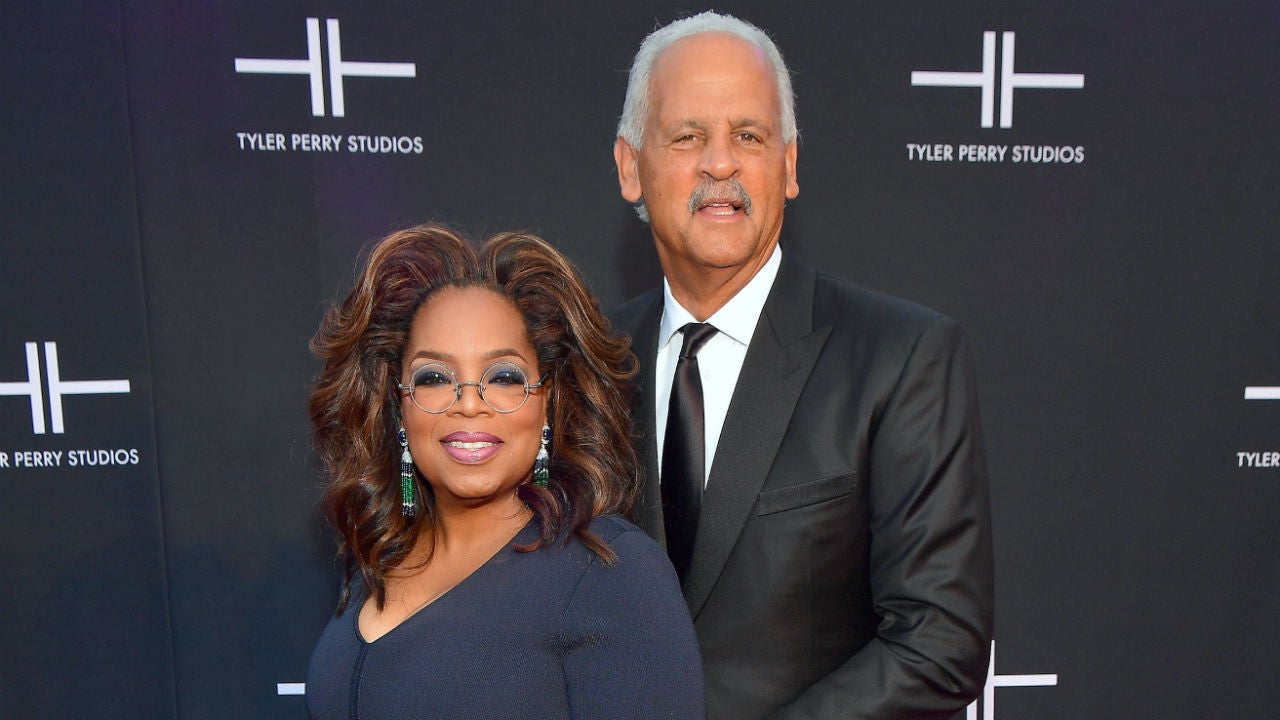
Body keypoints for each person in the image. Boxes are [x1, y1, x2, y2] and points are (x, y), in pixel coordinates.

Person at [610, 12, 994, 720]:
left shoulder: (900, 358)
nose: (720, 164)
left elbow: (940, 640)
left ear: (788, 166)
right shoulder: (586, 363)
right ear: (631, 166)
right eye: (688, 136)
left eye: (748, 136)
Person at [304, 225, 704, 720]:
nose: (470, 403)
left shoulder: (606, 572)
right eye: (434, 377)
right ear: (398, 404)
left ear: (547, 400)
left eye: (505, 377)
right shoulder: (379, 559)